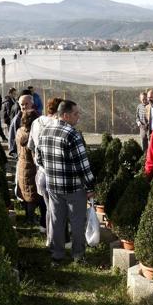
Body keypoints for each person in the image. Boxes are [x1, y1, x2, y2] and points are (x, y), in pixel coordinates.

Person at [36, 100, 95, 266]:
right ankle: (78, 256)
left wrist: (53, 172)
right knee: (77, 223)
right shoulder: (73, 134)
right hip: (74, 188)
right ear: (66, 115)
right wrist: (90, 186)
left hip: (53, 186)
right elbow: (83, 165)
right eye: (76, 114)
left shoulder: (45, 131)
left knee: (56, 221)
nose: (79, 117)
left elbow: (39, 159)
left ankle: (57, 256)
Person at [28, 97, 63, 236]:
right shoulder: (58, 124)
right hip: (56, 169)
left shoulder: (36, 122)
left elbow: (30, 145)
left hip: (41, 169)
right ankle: (59, 237)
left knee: (44, 199)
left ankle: (44, 227)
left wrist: (37, 162)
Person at [16, 110, 46, 227]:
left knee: (27, 192)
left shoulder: (19, 131)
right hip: (31, 168)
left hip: (22, 166)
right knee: (33, 194)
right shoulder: (31, 135)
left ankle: (29, 217)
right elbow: (35, 155)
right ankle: (31, 218)